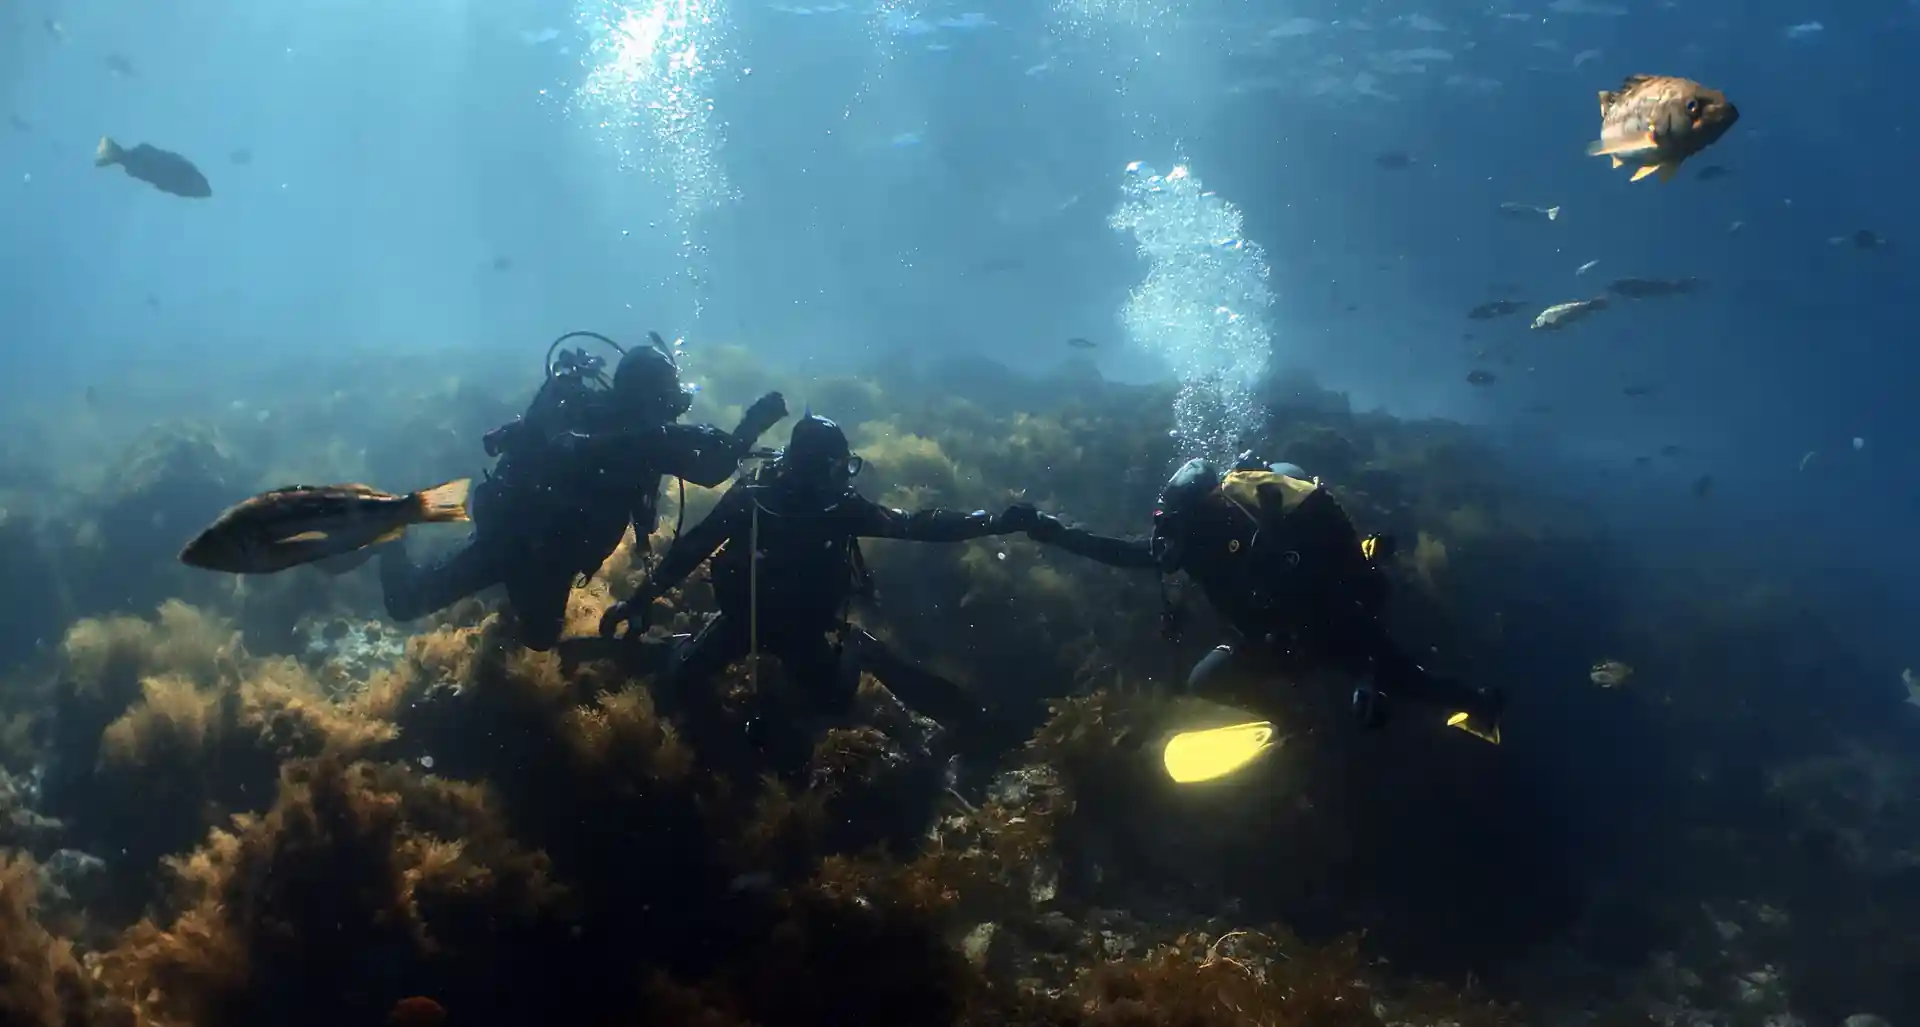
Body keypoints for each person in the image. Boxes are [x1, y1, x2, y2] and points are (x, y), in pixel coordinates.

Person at [597, 413, 1031, 767]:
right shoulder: (780, 500)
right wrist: (989, 521)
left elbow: (691, 549)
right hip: (745, 621)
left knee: (832, 700)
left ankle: (854, 649)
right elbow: (917, 524)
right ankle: (682, 650)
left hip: (797, 630)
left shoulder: (795, 501)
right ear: (831, 465)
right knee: (684, 680)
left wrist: (989, 521)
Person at [1021, 454, 1505, 743]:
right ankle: (1292, 727)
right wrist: (1051, 532)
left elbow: (1347, 614)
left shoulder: (1269, 539)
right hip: (1273, 645)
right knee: (1203, 681)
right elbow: (1120, 553)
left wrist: (1367, 679)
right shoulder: (1186, 543)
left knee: (1410, 683)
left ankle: (1482, 704)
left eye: (1185, 520)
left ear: (1213, 508)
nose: (1173, 535)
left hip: (1330, 631)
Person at [379, 331, 788, 651]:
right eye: (663, 398)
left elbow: (712, 470)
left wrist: (752, 424)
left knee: (539, 638)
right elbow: (713, 469)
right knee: (405, 603)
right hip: (510, 541)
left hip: (553, 560)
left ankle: (499, 602)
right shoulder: (590, 417)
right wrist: (750, 426)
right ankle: (390, 530)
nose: (667, 408)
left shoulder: (644, 437)